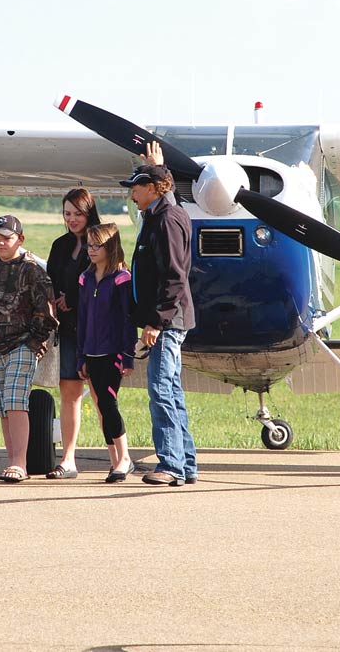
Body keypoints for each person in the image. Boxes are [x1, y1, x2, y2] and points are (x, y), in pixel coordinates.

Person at [119, 160, 198, 486]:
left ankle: (171, 466)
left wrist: (156, 322)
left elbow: (174, 277)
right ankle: (186, 465)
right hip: (166, 319)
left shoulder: (166, 220)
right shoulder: (160, 215)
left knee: (162, 391)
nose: (132, 193)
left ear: (154, 188)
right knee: (172, 392)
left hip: (165, 321)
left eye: (136, 187)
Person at [0, 215, 58, 483]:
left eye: (6, 237)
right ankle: (11, 462)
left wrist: (33, 343)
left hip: (22, 345)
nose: (0, 242)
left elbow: (47, 313)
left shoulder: (32, 272)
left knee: (16, 402)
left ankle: (20, 464)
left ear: (20, 239)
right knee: (2, 409)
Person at [45, 188, 101, 479]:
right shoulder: (59, 245)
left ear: (89, 212)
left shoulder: (104, 241)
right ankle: (68, 460)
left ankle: (120, 458)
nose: (72, 219)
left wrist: (74, 300)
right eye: (67, 214)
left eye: (78, 213)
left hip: (96, 331)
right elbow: (50, 280)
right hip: (67, 330)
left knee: (102, 394)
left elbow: (109, 281)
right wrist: (53, 301)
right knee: (70, 394)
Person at [76, 223, 138, 482]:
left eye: (97, 245)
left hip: (113, 352)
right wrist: (81, 355)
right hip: (91, 351)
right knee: (101, 405)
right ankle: (114, 460)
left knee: (109, 404)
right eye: (89, 244)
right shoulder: (85, 278)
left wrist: (128, 354)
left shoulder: (122, 279)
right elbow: (81, 318)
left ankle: (124, 458)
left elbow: (128, 319)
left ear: (110, 246)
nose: (91, 250)